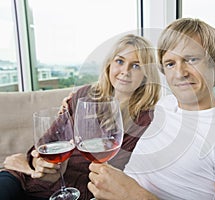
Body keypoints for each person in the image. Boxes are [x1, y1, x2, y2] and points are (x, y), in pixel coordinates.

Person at [87, 18, 215, 200]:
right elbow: (127, 99)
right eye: (170, 63)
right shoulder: (164, 106)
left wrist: (134, 196)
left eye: (191, 60)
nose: (180, 73)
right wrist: (75, 100)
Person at [0, 34, 161, 200]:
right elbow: (46, 143)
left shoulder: (145, 120)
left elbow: (109, 176)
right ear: (109, 65)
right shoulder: (84, 95)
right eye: (119, 61)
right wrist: (35, 165)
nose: (125, 71)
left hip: (74, 192)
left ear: (146, 74)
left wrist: (57, 172)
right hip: (25, 180)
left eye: (136, 66)